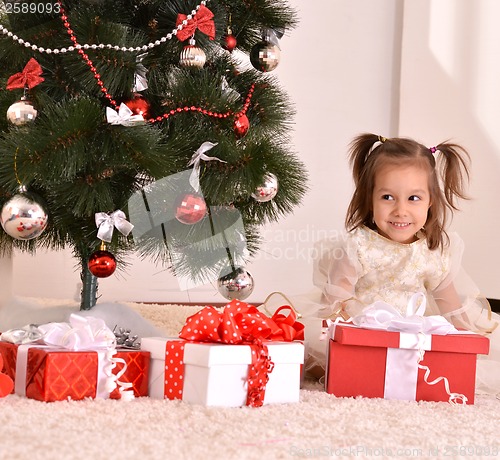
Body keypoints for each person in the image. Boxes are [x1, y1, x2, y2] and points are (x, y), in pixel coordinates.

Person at [300, 133, 499, 393]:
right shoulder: (358, 246)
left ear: (431, 202)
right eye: (387, 197)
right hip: (364, 331)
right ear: (369, 199)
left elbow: (452, 310)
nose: (400, 210)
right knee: (322, 363)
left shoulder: (432, 251)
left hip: (413, 335)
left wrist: (461, 342)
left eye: (413, 198)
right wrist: (346, 340)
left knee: (446, 369)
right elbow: (334, 306)